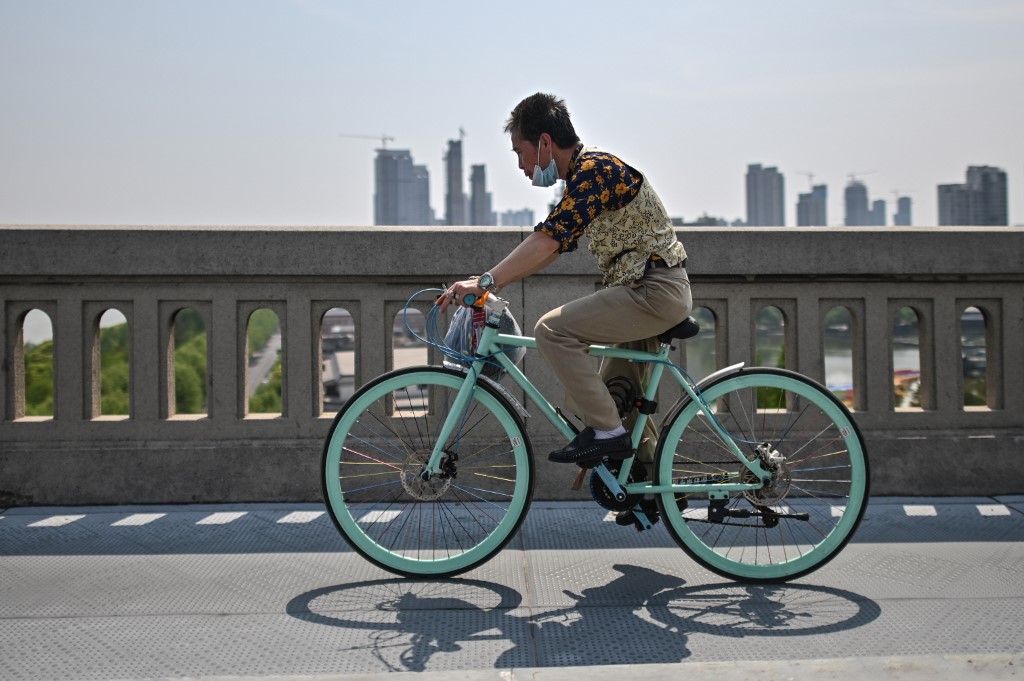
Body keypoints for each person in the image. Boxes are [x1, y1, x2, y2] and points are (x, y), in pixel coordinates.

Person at [438, 92, 691, 471]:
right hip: (646, 290)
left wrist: (487, 281)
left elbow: (549, 238)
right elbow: (553, 245)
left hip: (653, 292)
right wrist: (492, 282)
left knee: (551, 331)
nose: (522, 165)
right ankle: (646, 484)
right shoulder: (585, 174)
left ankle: (610, 435)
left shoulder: (594, 170)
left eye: (519, 152)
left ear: (544, 142)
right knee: (616, 397)